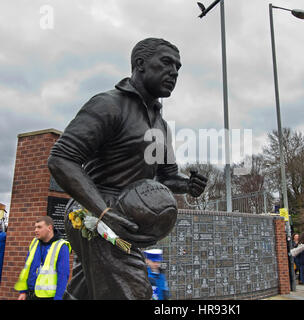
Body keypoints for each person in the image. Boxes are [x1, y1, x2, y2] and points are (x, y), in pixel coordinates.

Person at [48, 38, 207, 300]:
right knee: (134, 291)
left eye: (178, 68)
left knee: (86, 291)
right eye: (167, 63)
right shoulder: (109, 104)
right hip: (94, 216)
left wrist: (187, 185)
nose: (174, 72)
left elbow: (166, 176)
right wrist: (103, 211)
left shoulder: (160, 124)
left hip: (126, 215)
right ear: (140, 64)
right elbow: (61, 158)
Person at [14, 216, 71, 300]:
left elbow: (63, 275)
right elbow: (27, 268)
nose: (36, 230)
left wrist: (58, 297)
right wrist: (23, 291)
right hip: (30, 294)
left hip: (48, 297)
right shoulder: (34, 243)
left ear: (49, 228)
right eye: (35, 227)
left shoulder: (61, 246)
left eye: (39, 227)